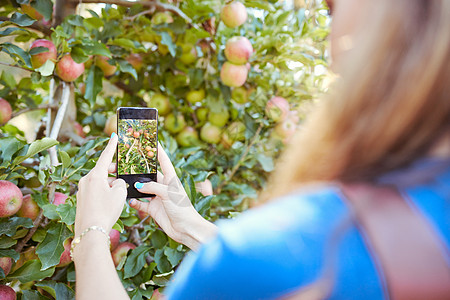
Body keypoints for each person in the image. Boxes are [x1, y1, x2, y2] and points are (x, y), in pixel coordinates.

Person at [72, 0, 450, 299]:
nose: (333, 48)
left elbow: (267, 266)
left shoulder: (280, 251)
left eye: (332, 7)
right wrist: (192, 227)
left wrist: (90, 234)